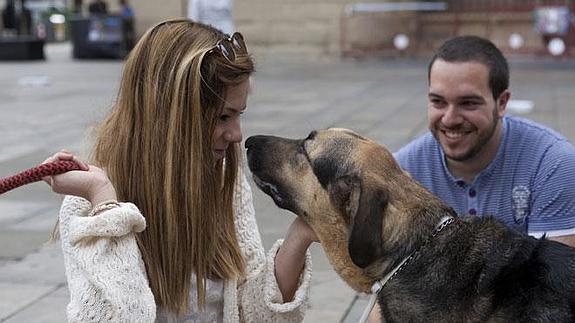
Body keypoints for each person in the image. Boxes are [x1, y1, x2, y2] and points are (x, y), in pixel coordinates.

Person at [42, 19, 317, 322]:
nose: (237, 134)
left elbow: (252, 313)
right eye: (223, 117)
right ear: (169, 118)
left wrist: (301, 234)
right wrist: (104, 202)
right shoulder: (87, 209)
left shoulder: (224, 178)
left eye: (239, 114)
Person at [394, 35, 575, 247]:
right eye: (438, 102)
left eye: (468, 103)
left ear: (502, 103)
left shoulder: (552, 165)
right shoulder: (403, 174)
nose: (450, 119)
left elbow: (553, 277)